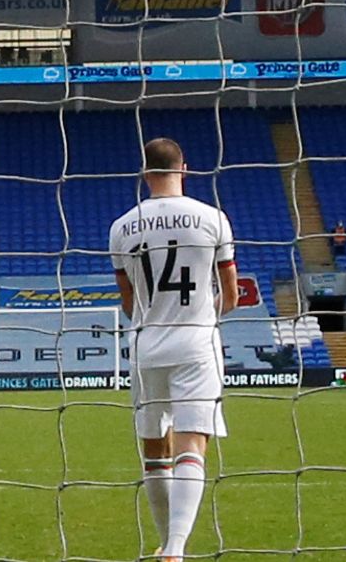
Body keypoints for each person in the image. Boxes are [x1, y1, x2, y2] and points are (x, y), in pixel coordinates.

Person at [109, 138, 238, 562]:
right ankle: (176, 550)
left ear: (144, 173)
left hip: (146, 346)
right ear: (185, 167)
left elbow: (128, 302)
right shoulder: (212, 219)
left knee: (154, 451)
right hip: (196, 342)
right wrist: (205, 314)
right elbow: (232, 294)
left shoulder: (121, 226)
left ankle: (166, 541)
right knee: (191, 448)